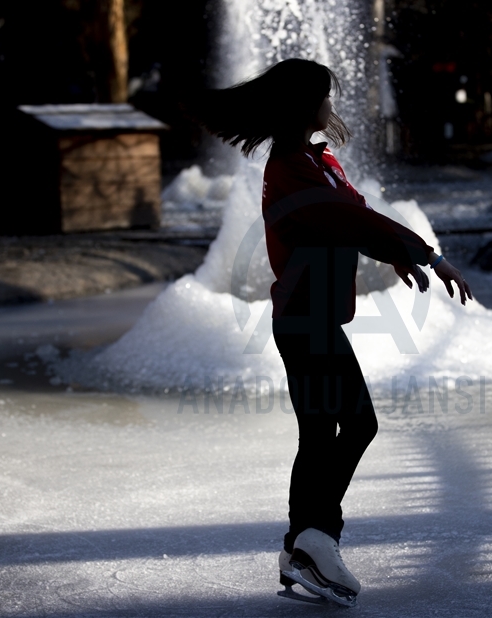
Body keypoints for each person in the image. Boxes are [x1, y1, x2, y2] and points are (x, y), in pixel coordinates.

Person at [192, 58, 472, 606]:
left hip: (315, 320)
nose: (330, 106)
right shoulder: (290, 169)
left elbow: (358, 213)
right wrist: (428, 255)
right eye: (324, 96)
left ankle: (302, 547)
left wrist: (396, 255)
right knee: (343, 428)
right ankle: (313, 542)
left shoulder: (321, 163)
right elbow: (353, 221)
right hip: (303, 322)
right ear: (303, 106)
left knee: (333, 431)